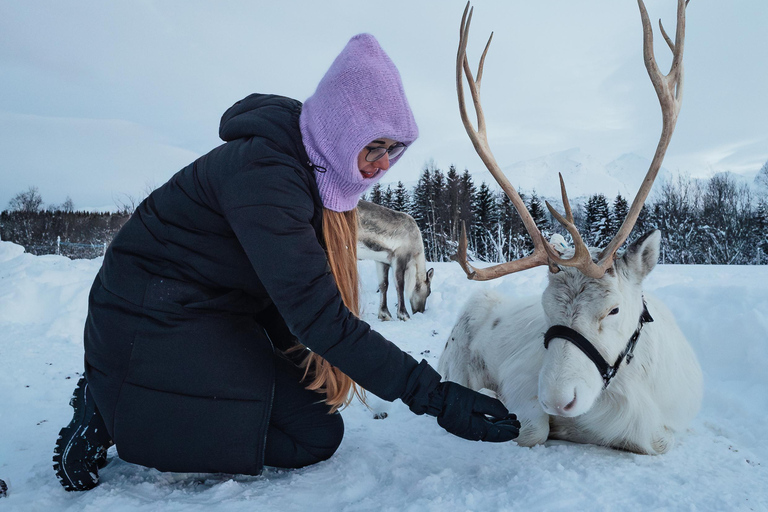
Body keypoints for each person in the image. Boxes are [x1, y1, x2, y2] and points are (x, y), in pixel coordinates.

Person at [52, 33, 519, 492]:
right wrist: (435, 397)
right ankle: (112, 405)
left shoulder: (308, 168)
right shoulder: (268, 176)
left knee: (314, 418)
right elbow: (318, 316)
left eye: (394, 150)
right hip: (149, 318)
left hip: (212, 310)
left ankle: (130, 392)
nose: (382, 166)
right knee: (311, 439)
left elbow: (292, 296)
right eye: (373, 147)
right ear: (341, 128)